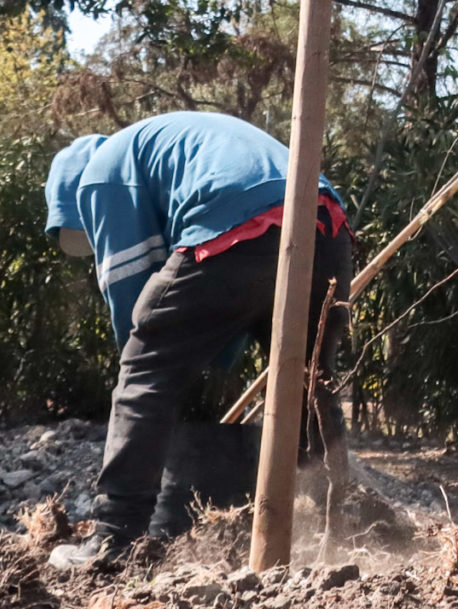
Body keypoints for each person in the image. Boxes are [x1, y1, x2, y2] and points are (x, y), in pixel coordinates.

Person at [45, 111, 352, 564]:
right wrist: (205, 374)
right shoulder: (172, 146)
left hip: (236, 227)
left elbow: (132, 296)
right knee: (309, 385)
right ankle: (337, 527)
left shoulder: (98, 175)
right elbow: (216, 306)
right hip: (326, 225)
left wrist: (152, 372)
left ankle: (114, 539)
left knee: (144, 371)